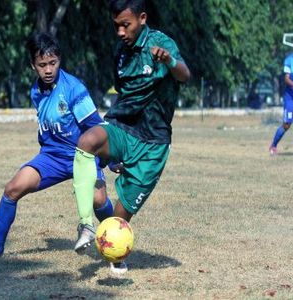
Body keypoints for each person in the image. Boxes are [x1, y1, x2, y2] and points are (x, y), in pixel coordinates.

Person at [72, 0, 191, 275]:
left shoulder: (162, 43)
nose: (121, 32)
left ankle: (116, 255)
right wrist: (114, 154)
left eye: (126, 25)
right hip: (123, 127)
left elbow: (184, 75)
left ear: (142, 19)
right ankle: (86, 224)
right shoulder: (120, 52)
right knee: (86, 141)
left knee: (118, 220)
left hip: (153, 143)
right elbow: (125, 94)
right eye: (117, 26)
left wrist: (170, 61)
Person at [0, 32, 114, 260]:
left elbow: (95, 126)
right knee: (12, 189)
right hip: (52, 157)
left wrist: (113, 158)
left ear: (59, 60)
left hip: (82, 155)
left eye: (53, 63)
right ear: (32, 65)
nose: (48, 70)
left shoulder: (74, 89)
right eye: (42, 65)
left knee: (98, 200)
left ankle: (117, 249)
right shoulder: (35, 91)